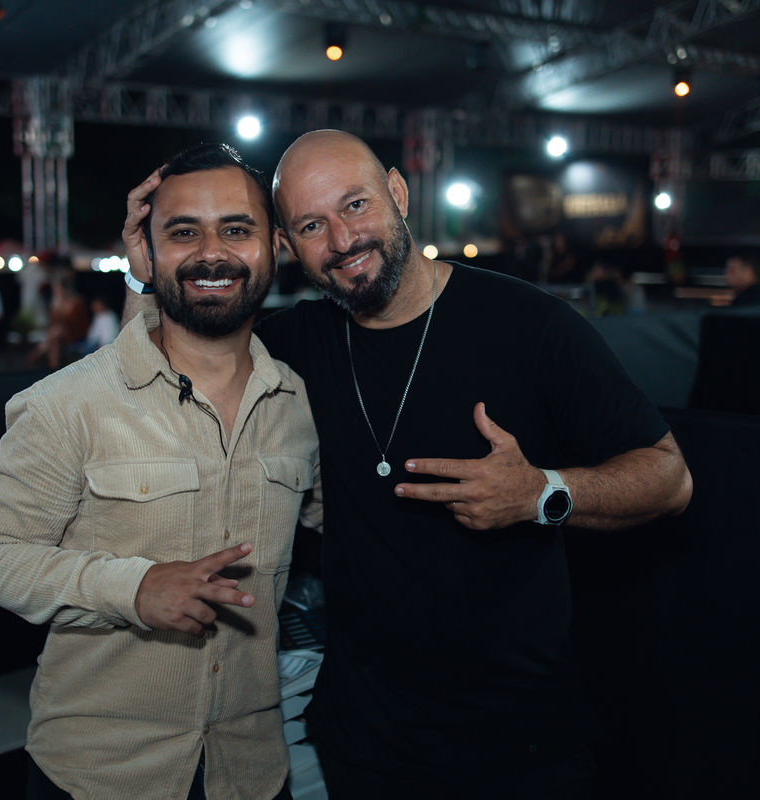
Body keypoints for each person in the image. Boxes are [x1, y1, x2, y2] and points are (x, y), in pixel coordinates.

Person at [121, 130, 693, 799]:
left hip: (522, 745)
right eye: (312, 225)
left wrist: (543, 493)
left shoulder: (528, 324)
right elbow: (150, 388)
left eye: (355, 205)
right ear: (287, 245)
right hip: (364, 746)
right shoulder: (293, 346)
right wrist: (142, 273)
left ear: (398, 192)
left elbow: (670, 478)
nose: (342, 240)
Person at [0, 143, 319, 800]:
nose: (212, 254)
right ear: (147, 256)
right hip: (101, 776)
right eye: (183, 233)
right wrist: (133, 587)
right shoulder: (69, 403)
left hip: (252, 772)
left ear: (276, 246)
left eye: (237, 229)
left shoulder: (301, 404)